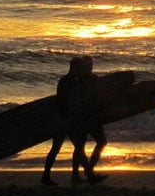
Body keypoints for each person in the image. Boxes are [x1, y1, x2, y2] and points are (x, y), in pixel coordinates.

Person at [41, 57, 85, 186]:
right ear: (74, 67)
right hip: (65, 119)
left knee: (58, 148)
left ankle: (46, 175)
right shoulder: (69, 81)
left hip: (62, 118)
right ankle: (77, 175)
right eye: (80, 67)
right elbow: (64, 102)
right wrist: (67, 119)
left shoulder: (67, 80)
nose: (82, 70)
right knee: (77, 147)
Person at [68, 56, 107, 183]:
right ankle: (78, 174)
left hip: (92, 117)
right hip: (83, 118)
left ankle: (88, 170)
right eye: (88, 65)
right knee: (80, 147)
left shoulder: (85, 80)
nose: (90, 66)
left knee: (100, 142)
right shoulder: (78, 81)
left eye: (91, 64)